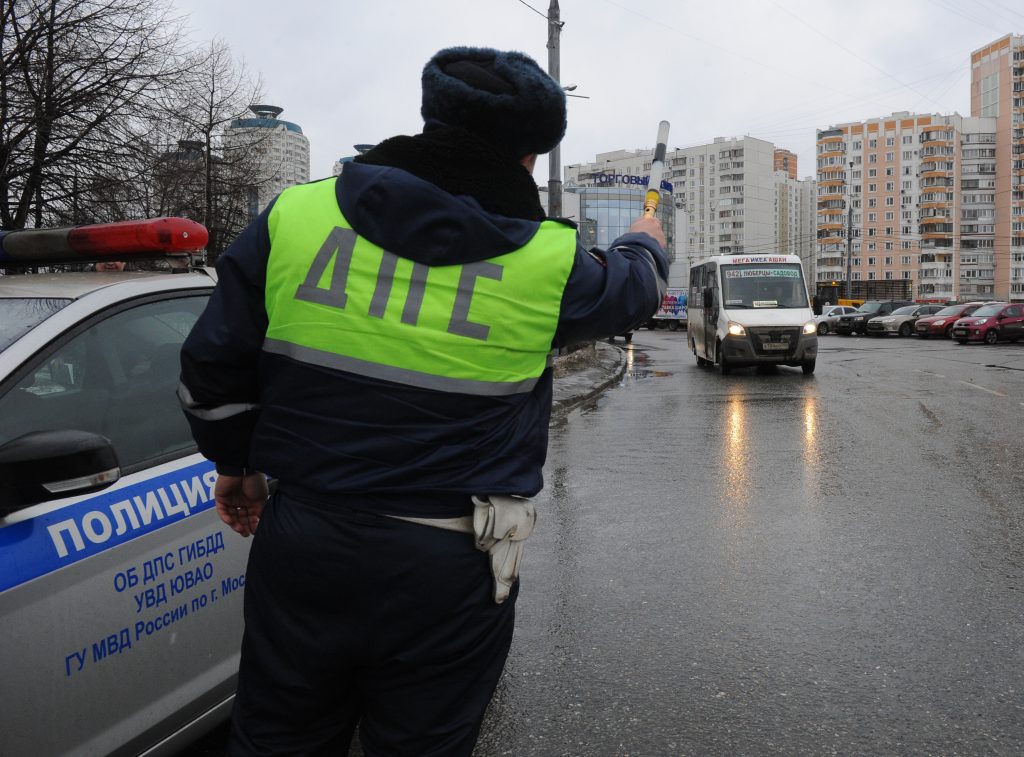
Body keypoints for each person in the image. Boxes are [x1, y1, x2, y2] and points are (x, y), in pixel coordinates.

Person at [178, 45, 668, 756]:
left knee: (278, 737)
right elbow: (636, 288)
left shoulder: (298, 217)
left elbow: (211, 368)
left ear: (430, 114)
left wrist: (237, 463)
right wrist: (646, 241)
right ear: (530, 155)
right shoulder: (547, 262)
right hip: (448, 564)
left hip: (305, 539)